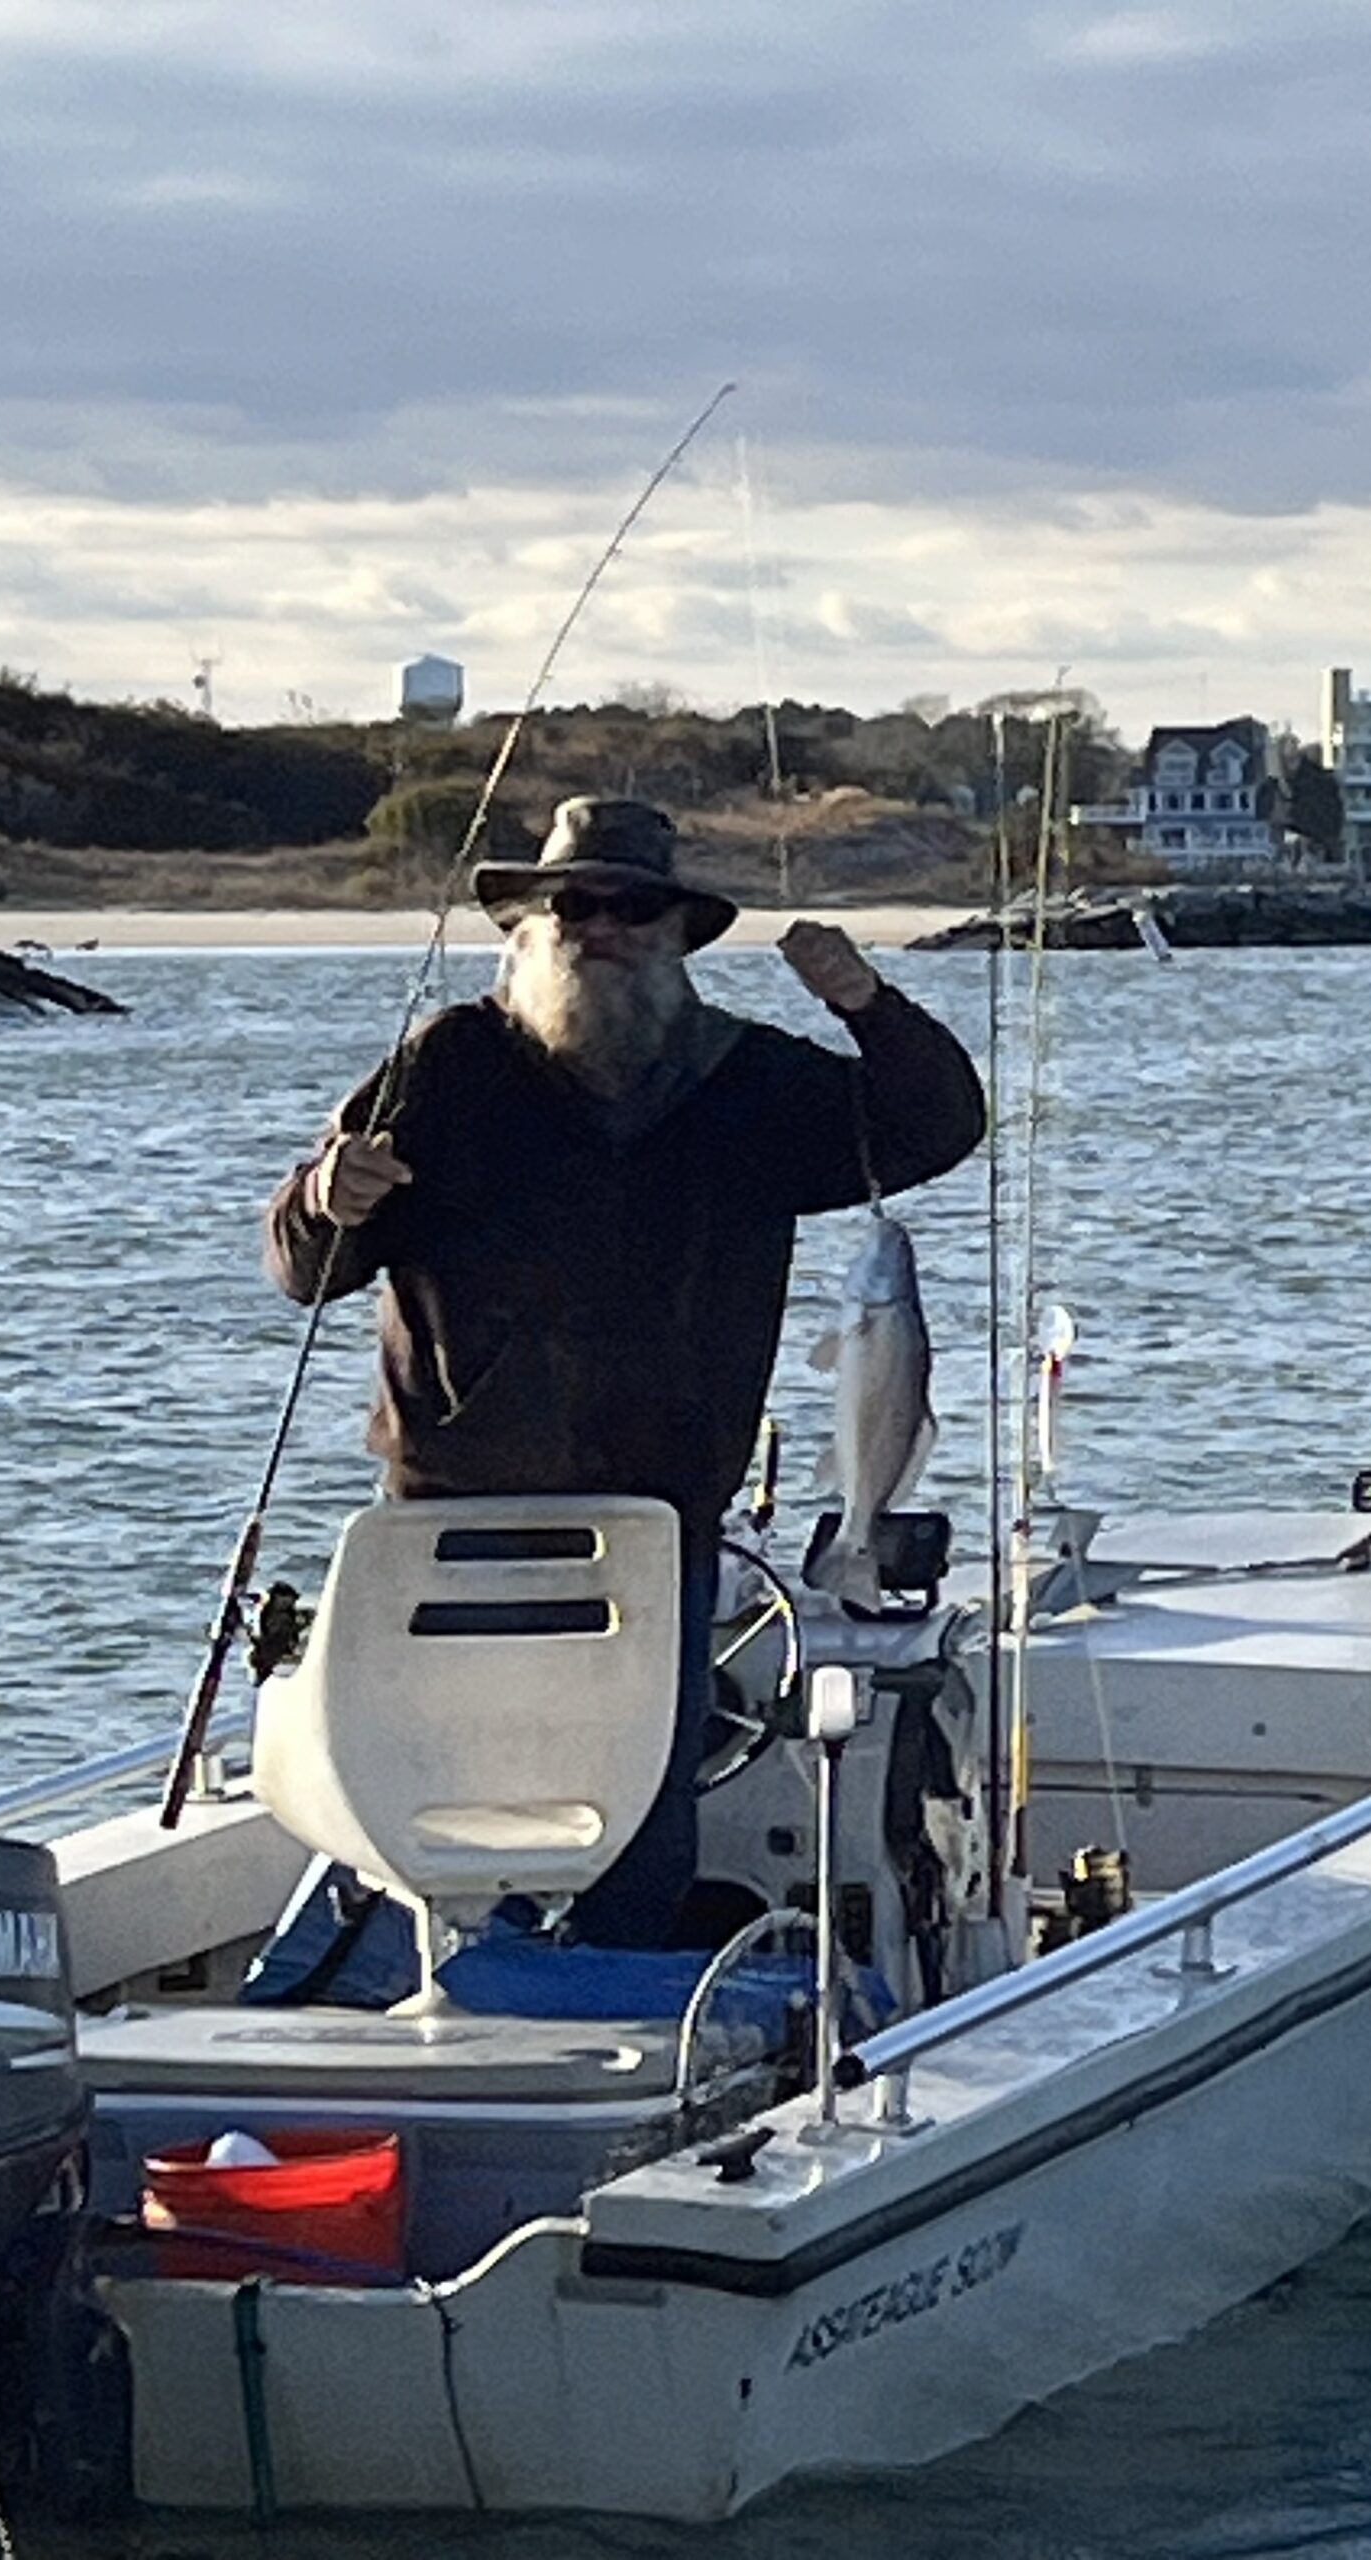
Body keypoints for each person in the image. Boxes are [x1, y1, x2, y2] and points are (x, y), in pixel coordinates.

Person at [265, 796, 984, 1948]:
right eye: (573, 904)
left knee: (639, 1801)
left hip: (658, 1518)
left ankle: (624, 1994)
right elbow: (309, 1270)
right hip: (457, 1517)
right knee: (453, 1782)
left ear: (677, 934)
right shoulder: (448, 1066)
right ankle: (454, 1972)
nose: (599, 926)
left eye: (632, 907)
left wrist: (866, 1003)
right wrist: (321, 1194)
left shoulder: (748, 1083)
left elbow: (936, 1125)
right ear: (531, 927)